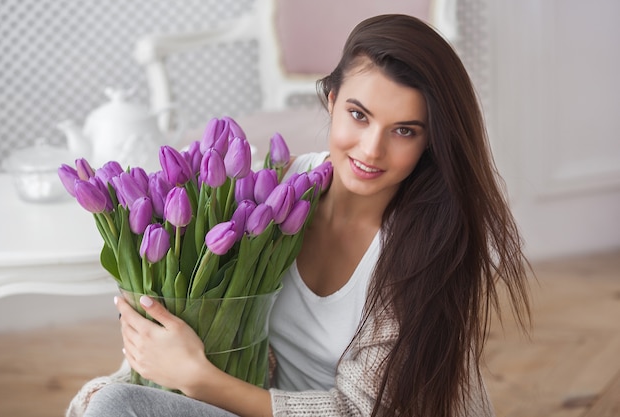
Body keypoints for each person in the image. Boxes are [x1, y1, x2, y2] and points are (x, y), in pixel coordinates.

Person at [68, 14, 531, 417]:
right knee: (109, 404)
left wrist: (197, 379)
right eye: (359, 115)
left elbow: (359, 411)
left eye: (404, 131)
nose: (371, 149)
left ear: (431, 141)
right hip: (251, 400)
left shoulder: (429, 248)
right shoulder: (279, 189)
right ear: (331, 101)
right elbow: (196, 328)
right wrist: (147, 365)